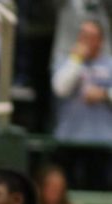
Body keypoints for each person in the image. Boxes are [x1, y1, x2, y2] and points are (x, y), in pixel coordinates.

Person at [51, 19, 112, 191]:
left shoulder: (109, 64)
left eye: (91, 37)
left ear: (101, 41)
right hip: (69, 139)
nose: (86, 41)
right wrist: (76, 60)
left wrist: (104, 94)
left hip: (101, 142)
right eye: (83, 36)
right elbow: (60, 88)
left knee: (98, 190)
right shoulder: (66, 60)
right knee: (67, 190)